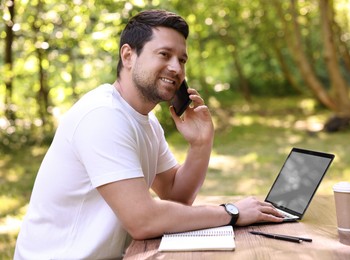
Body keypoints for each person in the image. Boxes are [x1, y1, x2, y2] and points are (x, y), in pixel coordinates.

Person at [14, 9, 283, 259]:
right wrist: (231, 213)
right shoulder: (102, 116)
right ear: (128, 56)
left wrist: (201, 144)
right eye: (164, 54)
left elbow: (176, 196)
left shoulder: (146, 121)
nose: (176, 68)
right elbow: (143, 221)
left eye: (181, 59)